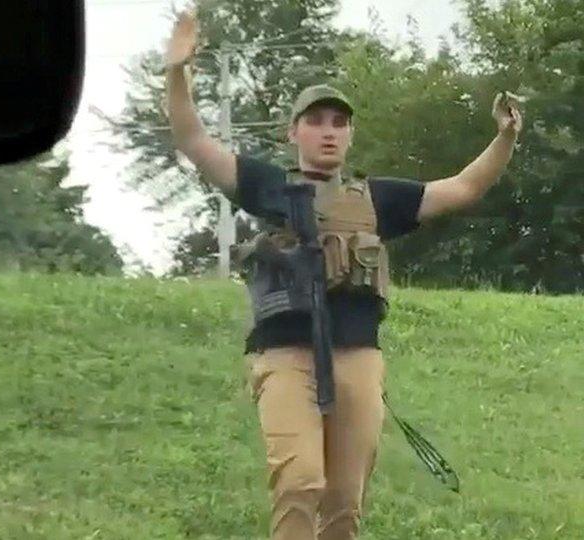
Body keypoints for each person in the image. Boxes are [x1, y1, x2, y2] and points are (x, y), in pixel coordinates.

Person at [164, 10, 522, 540]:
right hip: (285, 354)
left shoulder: (378, 198)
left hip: (358, 356)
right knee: (301, 480)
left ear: (350, 135)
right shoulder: (268, 185)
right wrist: (176, 74)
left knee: (343, 503)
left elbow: (465, 188)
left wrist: (506, 137)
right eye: (316, 121)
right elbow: (193, 139)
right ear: (293, 131)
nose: (329, 133)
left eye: (339, 123)